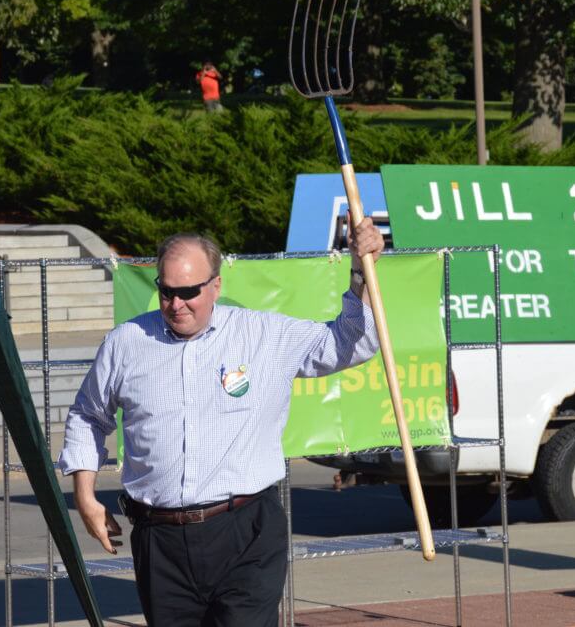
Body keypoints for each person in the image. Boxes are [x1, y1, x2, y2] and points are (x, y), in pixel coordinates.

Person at [57, 218, 384, 626]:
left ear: (216, 286)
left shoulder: (264, 335)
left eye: (189, 292)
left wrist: (361, 273)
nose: (176, 304)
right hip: (159, 541)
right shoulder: (126, 344)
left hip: (246, 533)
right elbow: (88, 416)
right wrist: (85, 498)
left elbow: (352, 342)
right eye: (166, 291)